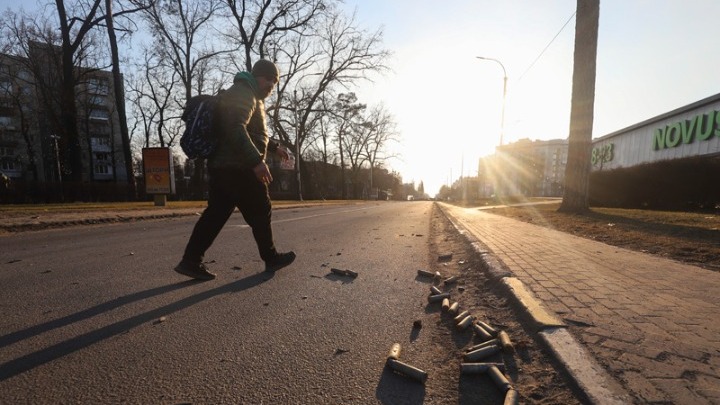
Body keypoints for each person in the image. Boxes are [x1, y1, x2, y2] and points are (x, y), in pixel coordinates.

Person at [174, 59, 296, 280]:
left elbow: (253, 134)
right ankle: (271, 258)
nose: (271, 84)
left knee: (216, 214)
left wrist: (275, 148)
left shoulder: (249, 95)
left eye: (275, 81)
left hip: (224, 167)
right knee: (261, 208)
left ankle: (190, 261)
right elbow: (235, 128)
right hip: (238, 167)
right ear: (256, 75)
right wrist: (256, 162)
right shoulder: (243, 92)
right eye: (268, 78)